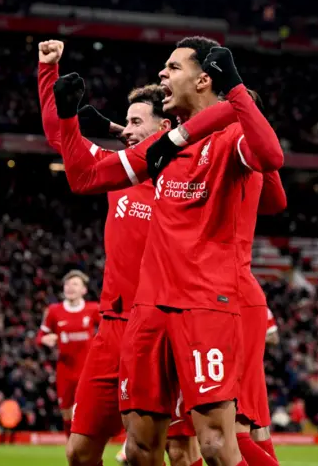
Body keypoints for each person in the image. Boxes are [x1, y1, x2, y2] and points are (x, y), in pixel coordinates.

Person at [52, 36, 284, 466]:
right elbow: (84, 177)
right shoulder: (158, 150)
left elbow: (271, 156)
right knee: (141, 450)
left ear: (202, 81)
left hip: (205, 305)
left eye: (173, 68)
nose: (162, 75)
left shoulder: (231, 137)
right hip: (148, 309)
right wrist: (67, 116)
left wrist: (232, 89)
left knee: (215, 444)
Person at [38, 40, 203, 466]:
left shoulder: (190, 175)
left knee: (176, 451)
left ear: (164, 127)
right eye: (122, 124)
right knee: (79, 450)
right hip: (112, 327)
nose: (122, 130)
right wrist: (48, 71)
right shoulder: (121, 171)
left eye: (133, 123)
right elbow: (61, 134)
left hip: (164, 325)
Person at [36, 270, 100, 438]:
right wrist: (45, 340)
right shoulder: (53, 311)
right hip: (64, 370)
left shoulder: (93, 309)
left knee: (85, 411)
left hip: (86, 370)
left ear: (84, 290)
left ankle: (87, 446)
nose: (69, 287)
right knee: (66, 413)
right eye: (67, 284)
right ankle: (71, 447)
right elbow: (40, 336)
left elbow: (110, 329)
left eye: (75, 284)